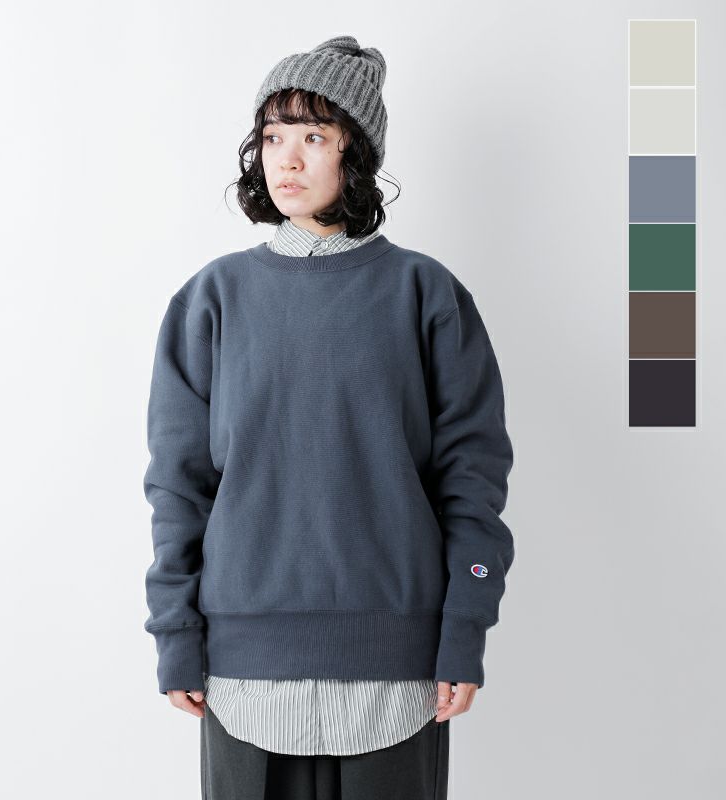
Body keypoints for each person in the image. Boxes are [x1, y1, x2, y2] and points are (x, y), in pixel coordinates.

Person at [142, 34, 515, 800]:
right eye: (273, 135)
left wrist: (464, 627)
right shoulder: (211, 301)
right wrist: (175, 632)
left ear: (356, 153)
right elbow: (178, 486)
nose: (287, 158)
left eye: (313, 136)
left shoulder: (426, 296)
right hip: (242, 674)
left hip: (399, 671)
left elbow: (472, 483)